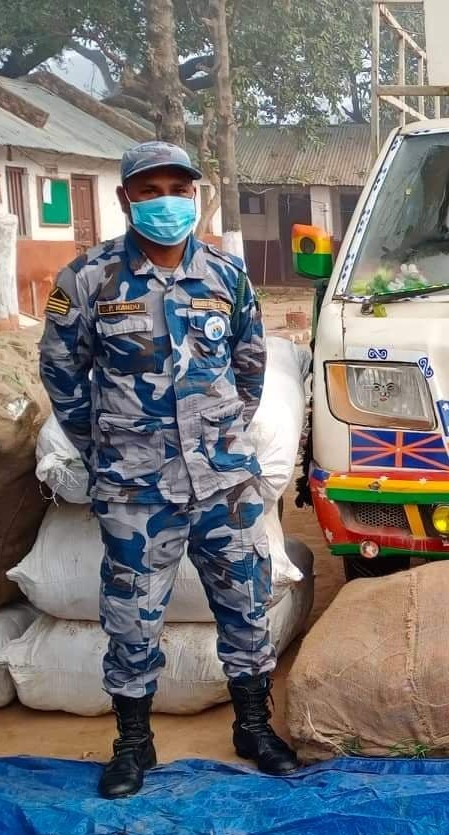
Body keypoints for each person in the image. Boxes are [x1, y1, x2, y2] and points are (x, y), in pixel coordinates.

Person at [40, 141, 298, 799]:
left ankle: (253, 725)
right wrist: (107, 448)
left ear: (194, 196)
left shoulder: (224, 276)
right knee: (130, 616)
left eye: (176, 190)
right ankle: (133, 743)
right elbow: (62, 375)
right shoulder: (89, 279)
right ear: (126, 200)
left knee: (244, 603)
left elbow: (249, 364)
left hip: (221, 481)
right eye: (149, 191)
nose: (165, 203)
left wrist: (222, 435)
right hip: (135, 486)